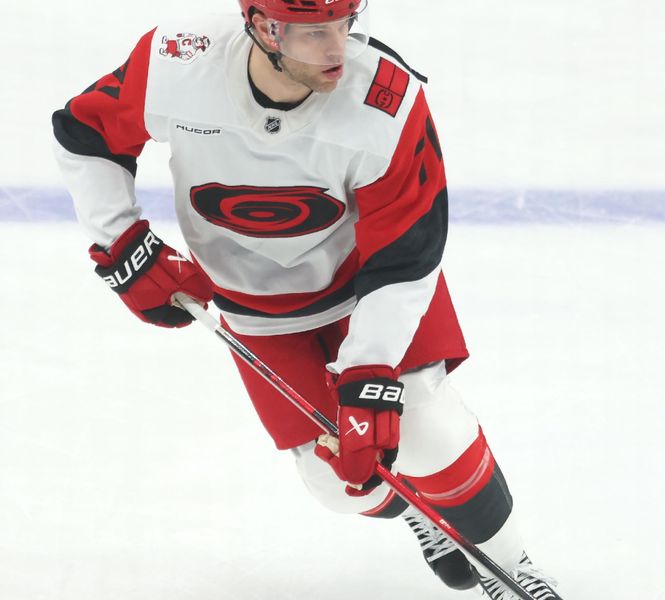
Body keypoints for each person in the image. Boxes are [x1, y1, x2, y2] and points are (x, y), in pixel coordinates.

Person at [52, 1, 563, 598]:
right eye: (315, 32)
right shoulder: (178, 61)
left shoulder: (386, 100)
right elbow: (85, 133)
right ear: (264, 28)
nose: (337, 48)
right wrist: (121, 241)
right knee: (335, 482)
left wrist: (369, 374)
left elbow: (407, 253)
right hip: (253, 307)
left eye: (345, 23)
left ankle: (514, 566)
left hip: (365, 285)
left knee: (425, 424)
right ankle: (419, 510)